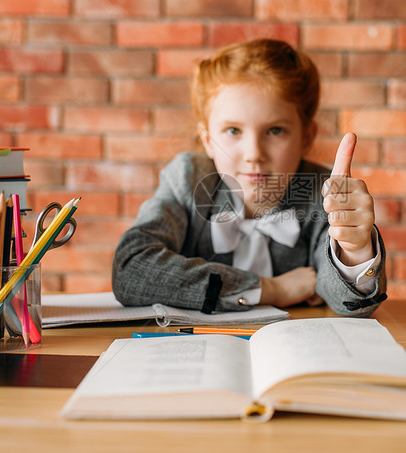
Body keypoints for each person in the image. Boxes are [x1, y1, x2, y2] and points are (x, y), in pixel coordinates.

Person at [111, 39, 387, 317]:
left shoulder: (325, 192)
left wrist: (354, 250)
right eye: (233, 131)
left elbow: (349, 305)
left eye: (275, 130)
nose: (254, 154)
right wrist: (270, 289)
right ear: (207, 140)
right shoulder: (186, 178)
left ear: (306, 137)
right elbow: (131, 269)